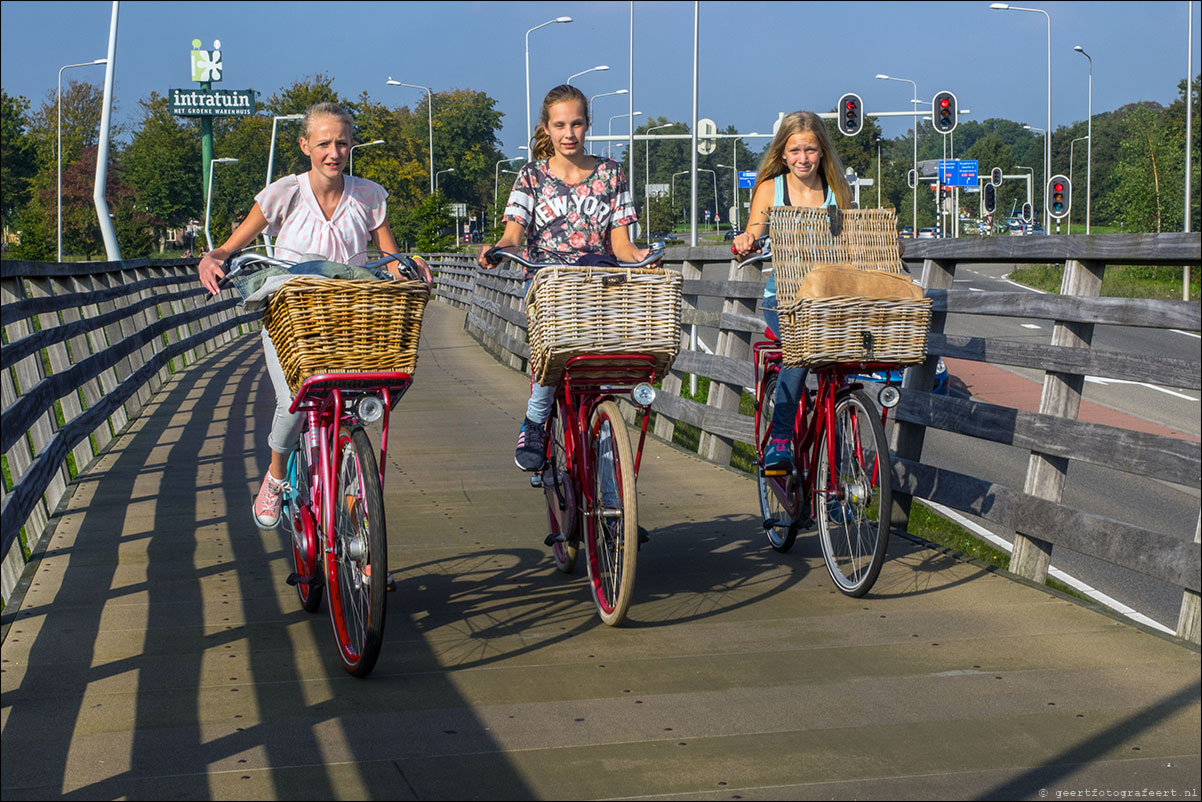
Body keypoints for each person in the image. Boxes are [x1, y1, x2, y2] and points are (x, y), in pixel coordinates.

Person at [198, 101, 432, 530]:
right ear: (305, 145)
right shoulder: (284, 192)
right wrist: (214, 258)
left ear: (351, 145)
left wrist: (409, 265)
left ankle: (350, 486)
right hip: (296, 319)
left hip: (351, 314)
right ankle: (274, 476)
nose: (333, 152)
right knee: (293, 401)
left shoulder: (367, 195)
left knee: (367, 397)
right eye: (323, 143)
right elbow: (231, 246)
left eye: (342, 143)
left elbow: (390, 256)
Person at [477, 84, 647, 471]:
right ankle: (536, 418)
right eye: (560, 125)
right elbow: (514, 233)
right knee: (554, 352)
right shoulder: (531, 176)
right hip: (548, 283)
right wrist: (498, 250)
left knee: (603, 367)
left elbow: (621, 244)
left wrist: (640, 257)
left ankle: (612, 496)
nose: (569, 134)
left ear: (588, 126)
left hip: (596, 281)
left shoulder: (610, 173)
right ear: (547, 128)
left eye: (577, 124)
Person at [732, 111, 851, 472]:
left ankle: (835, 459)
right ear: (783, 153)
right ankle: (781, 437)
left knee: (850, 361)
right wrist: (748, 239)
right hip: (781, 298)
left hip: (826, 298)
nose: (803, 158)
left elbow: (852, 236)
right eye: (795, 150)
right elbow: (755, 228)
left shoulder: (837, 192)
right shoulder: (772, 188)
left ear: (822, 151)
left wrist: (890, 243)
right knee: (798, 351)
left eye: (810, 150)